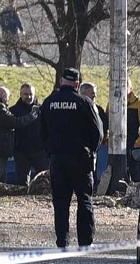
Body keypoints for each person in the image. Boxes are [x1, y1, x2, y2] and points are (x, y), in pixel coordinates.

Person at [40, 68, 104, 247]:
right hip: (80, 160)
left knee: (60, 203)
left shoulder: (49, 102)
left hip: (57, 160)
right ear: (77, 84)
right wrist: (90, 150)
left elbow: (41, 132)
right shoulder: (85, 103)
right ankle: (85, 242)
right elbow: (97, 134)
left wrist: (51, 152)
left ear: (61, 81)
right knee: (84, 201)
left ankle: (62, 241)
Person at [0, 85, 38, 183]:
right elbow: (13, 122)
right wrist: (31, 117)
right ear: (3, 95)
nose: (9, 100)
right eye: (8, 97)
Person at [10, 83, 49, 186]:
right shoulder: (13, 111)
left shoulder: (42, 110)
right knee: (21, 181)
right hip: (21, 152)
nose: (28, 97)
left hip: (40, 151)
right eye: (25, 94)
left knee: (45, 180)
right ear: (20, 94)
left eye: (31, 94)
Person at [123, 78, 140, 183]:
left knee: (135, 175)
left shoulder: (139, 104)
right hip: (116, 147)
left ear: (131, 88)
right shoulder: (112, 103)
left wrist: (138, 143)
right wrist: (107, 141)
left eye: (126, 87)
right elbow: (107, 123)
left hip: (133, 146)